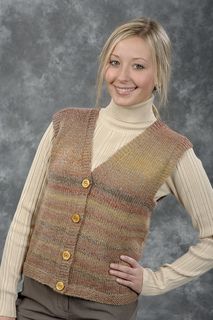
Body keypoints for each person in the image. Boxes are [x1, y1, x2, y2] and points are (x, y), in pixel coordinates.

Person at [0, 16, 213, 320]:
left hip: (105, 310)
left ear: (160, 75)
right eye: (115, 62)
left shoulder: (172, 150)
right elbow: (25, 214)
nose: (123, 76)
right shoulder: (65, 125)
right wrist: (4, 303)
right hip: (36, 302)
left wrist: (153, 281)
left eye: (138, 66)